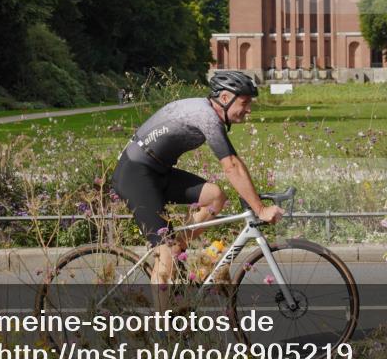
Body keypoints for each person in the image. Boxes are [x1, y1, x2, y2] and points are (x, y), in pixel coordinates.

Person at [111, 70, 284, 291]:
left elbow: (235, 163)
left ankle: (177, 247)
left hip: (157, 171)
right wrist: (259, 209)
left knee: (215, 196)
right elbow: (231, 166)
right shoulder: (206, 116)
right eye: (245, 101)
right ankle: (162, 324)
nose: (249, 109)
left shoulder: (209, 113)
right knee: (167, 255)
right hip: (134, 174)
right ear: (224, 98)